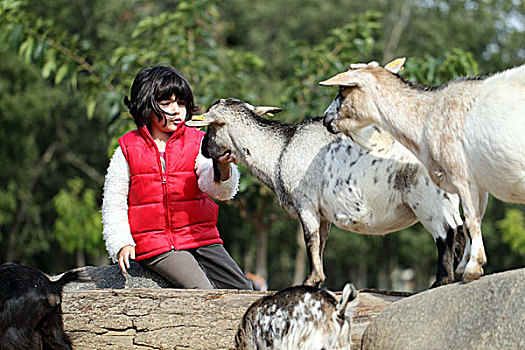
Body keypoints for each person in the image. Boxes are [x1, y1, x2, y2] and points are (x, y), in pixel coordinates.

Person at [102, 65, 253, 290]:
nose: (176, 110)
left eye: (181, 103)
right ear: (146, 105)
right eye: (166, 103)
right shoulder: (127, 148)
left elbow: (217, 190)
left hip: (202, 237)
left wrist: (222, 166)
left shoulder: (198, 141)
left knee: (244, 290)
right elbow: (114, 204)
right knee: (203, 293)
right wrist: (121, 243)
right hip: (157, 245)